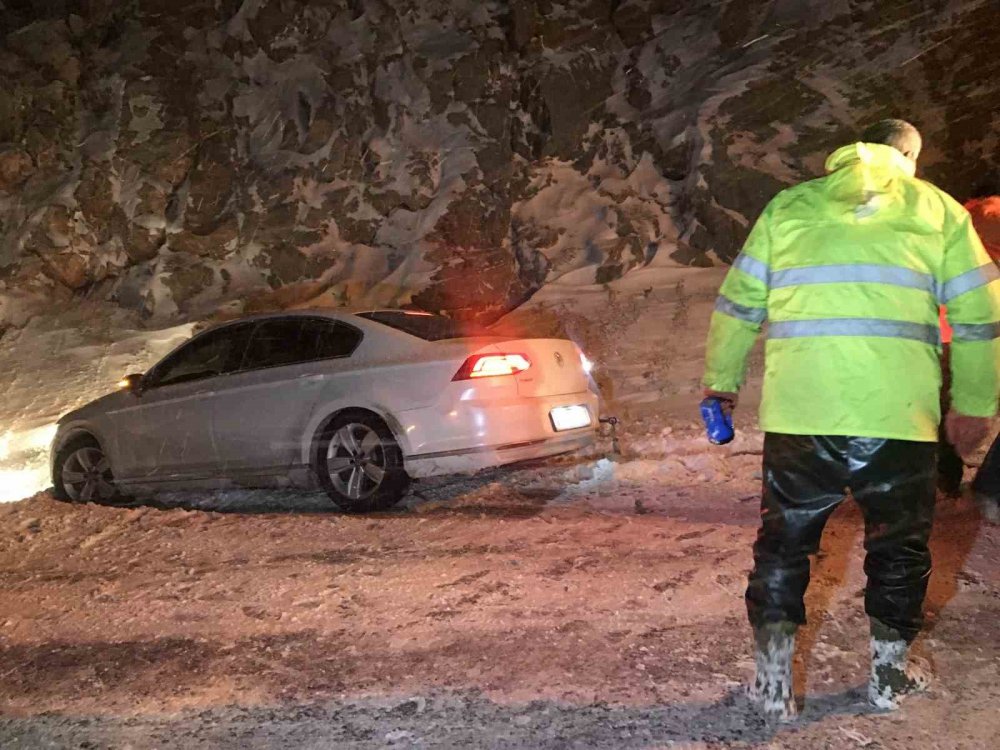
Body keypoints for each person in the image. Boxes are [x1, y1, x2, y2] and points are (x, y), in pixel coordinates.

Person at [701, 119, 1000, 722]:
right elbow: (979, 315)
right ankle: (888, 677)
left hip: (800, 415)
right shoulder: (939, 211)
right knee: (900, 548)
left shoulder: (789, 207)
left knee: (784, 546)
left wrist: (720, 385)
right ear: (910, 157)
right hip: (899, 417)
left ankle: (773, 684)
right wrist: (974, 404)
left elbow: (737, 307)